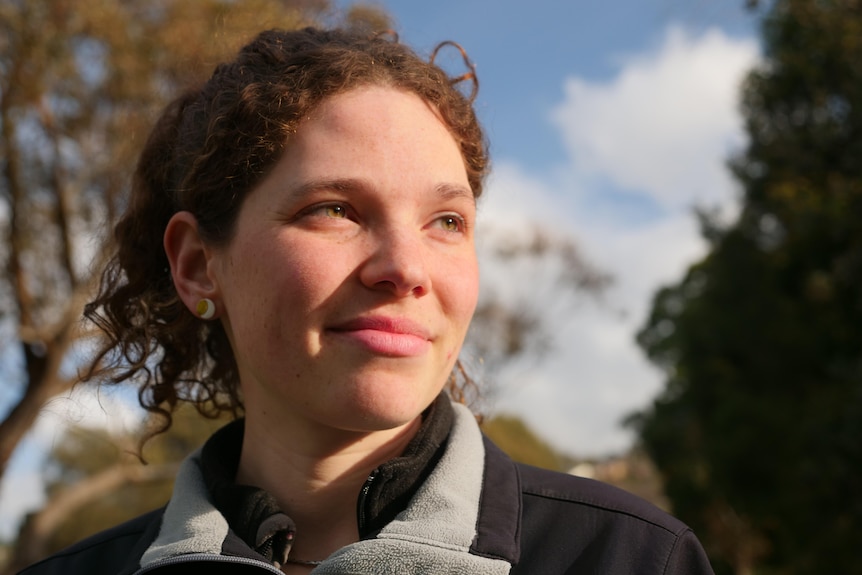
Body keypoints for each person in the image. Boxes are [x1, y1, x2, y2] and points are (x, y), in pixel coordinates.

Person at [19, 27, 715, 575]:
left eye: (447, 221)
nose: (407, 268)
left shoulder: (629, 557)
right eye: (335, 209)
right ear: (199, 265)